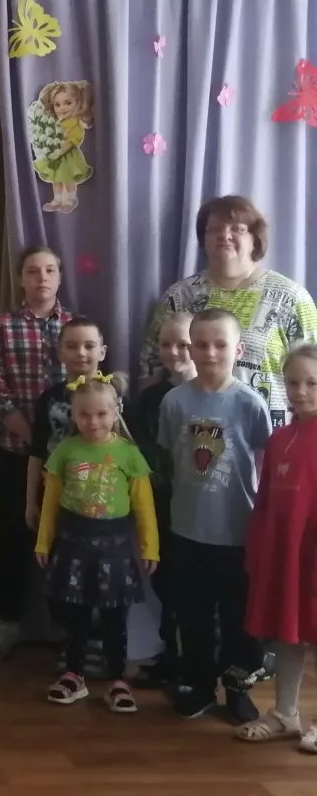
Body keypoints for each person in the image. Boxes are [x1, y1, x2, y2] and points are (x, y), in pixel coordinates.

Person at [158, 308, 273, 722]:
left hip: (237, 533)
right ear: (191, 348)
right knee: (193, 615)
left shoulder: (250, 404)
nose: (209, 353)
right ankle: (198, 685)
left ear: (238, 350)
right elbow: (170, 458)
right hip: (187, 530)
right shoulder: (174, 401)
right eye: (201, 344)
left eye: (220, 345)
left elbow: (262, 467)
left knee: (239, 619)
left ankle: (238, 688)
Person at [34, 371, 158, 712]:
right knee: (75, 616)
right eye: (84, 414)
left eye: (101, 414)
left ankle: (118, 680)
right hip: (73, 545)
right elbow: (50, 503)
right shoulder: (65, 451)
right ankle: (74, 675)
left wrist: (150, 547)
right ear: (73, 415)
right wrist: (43, 543)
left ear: (115, 412)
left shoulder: (129, 454)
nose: (93, 421)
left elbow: (145, 507)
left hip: (115, 549)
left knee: (115, 619)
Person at [140, 194, 317, 430]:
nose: (225, 235)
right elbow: (150, 368)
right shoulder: (179, 296)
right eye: (214, 229)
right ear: (203, 239)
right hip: (191, 437)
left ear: (255, 239)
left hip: (272, 439)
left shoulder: (291, 298)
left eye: (238, 229)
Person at [0, 245, 73, 661]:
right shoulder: (3, 326)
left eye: (50, 270)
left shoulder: (75, 327)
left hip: (70, 458)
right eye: (33, 271)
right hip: (14, 450)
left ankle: (68, 627)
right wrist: (36, 438)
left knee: (68, 536)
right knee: (14, 533)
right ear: (21, 279)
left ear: (60, 277)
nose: (42, 277)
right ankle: (9, 621)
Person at [237, 345, 317, 747]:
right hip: (287, 554)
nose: (300, 391)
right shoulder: (280, 437)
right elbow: (265, 500)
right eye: (292, 382)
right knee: (289, 633)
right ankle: (285, 713)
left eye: (312, 383)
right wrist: (259, 550)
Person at [125, 311, 196, 688]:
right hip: (161, 506)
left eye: (183, 344)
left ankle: (197, 664)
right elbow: (143, 451)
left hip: (201, 510)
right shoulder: (152, 396)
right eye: (166, 344)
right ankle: (171, 657)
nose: (174, 351)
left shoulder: (212, 394)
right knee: (166, 583)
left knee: (195, 587)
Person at [25, 317, 111, 531]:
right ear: (60, 353)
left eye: (89, 346)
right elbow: (37, 452)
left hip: (105, 497)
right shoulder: (49, 399)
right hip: (58, 498)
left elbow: (131, 452)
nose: (81, 353)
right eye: (72, 346)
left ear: (102, 352)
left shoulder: (116, 399)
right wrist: (30, 502)